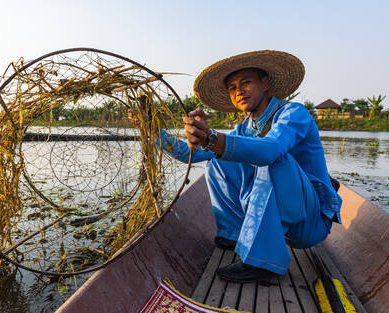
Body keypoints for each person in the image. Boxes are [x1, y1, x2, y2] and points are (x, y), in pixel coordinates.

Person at [138, 50, 342, 282]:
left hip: (309, 223)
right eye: (233, 88)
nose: (239, 91)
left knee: (270, 159)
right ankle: (235, 234)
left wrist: (212, 138)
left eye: (246, 82)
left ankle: (264, 263)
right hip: (281, 219)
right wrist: (152, 129)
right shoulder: (245, 129)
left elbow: (271, 149)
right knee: (217, 161)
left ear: (265, 84)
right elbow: (190, 154)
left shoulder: (293, 113)